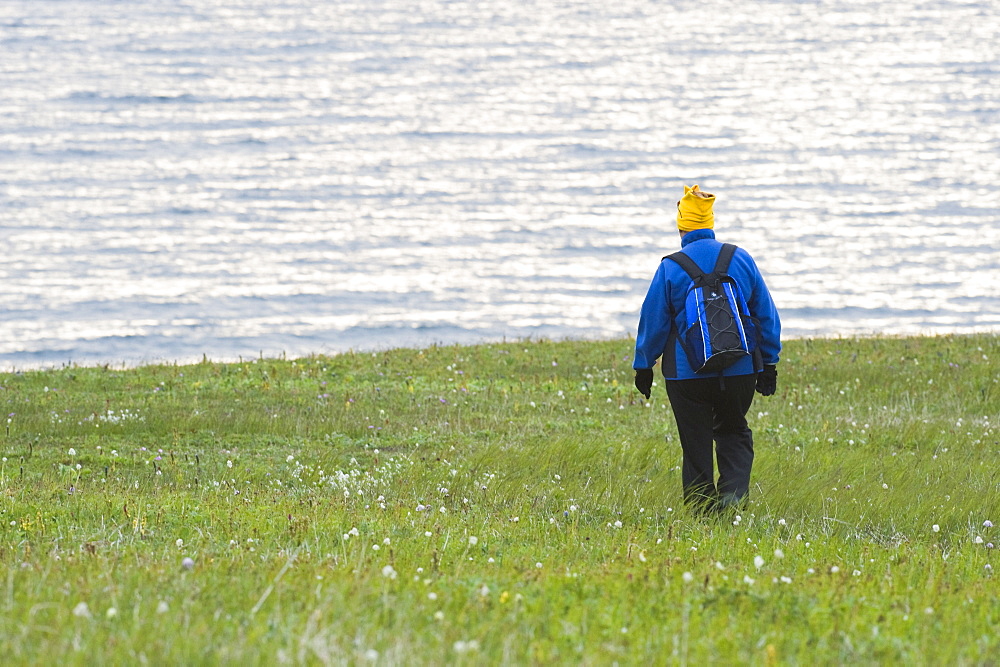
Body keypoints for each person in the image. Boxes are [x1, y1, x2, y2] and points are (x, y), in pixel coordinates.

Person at [633, 185, 781, 513]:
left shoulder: (671, 267)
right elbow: (766, 314)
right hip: (741, 370)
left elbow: (653, 320)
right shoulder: (740, 259)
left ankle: (702, 516)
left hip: (687, 377)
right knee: (733, 431)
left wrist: (644, 364)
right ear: (710, 222)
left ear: (682, 227)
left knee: (696, 443)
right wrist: (769, 363)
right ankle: (732, 505)